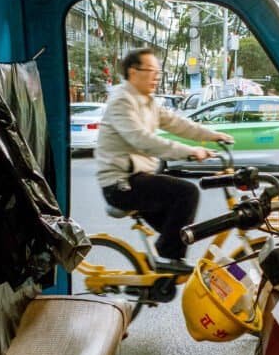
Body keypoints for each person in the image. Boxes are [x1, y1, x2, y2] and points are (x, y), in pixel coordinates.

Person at [95, 48, 234, 273]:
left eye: (158, 72)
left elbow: (178, 124)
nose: (156, 77)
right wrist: (190, 152)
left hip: (138, 178)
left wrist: (212, 135)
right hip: (120, 183)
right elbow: (142, 139)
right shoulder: (122, 100)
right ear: (133, 72)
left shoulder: (147, 101)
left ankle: (161, 268)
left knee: (180, 232)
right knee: (187, 193)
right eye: (151, 71)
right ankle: (166, 266)